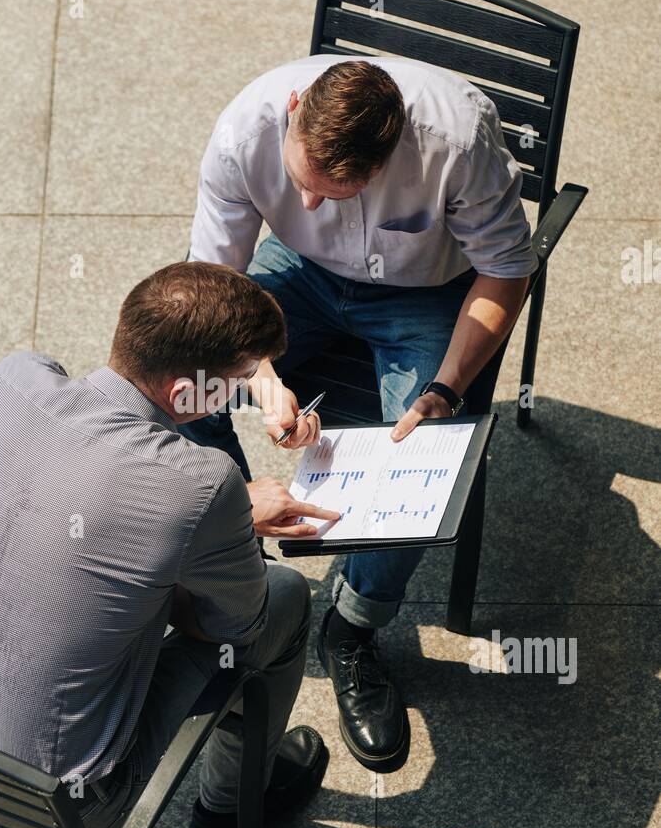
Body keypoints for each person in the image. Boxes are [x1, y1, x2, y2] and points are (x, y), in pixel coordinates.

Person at [0, 261, 340, 828]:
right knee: (287, 597)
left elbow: (78, 485)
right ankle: (231, 810)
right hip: (64, 810)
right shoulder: (204, 482)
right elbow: (231, 628)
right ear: (186, 396)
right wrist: (228, 525)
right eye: (239, 382)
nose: (245, 392)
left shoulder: (11, 380)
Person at [180, 56, 537, 773]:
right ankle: (236, 545)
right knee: (184, 372)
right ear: (293, 110)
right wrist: (261, 374)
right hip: (298, 277)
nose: (309, 206)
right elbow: (213, 286)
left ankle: (354, 628)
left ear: (390, 157)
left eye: (333, 193)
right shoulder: (241, 135)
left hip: (424, 292)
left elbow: (507, 266)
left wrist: (446, 384)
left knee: (426, 453)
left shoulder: (458, 143)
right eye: (302, 185)